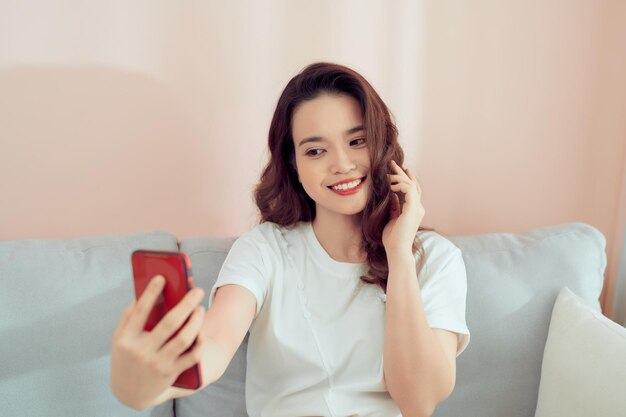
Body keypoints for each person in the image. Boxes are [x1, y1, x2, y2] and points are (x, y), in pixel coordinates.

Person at [111, 62, 470, 417]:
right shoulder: (264, 249)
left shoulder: (436, 259)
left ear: (382, 145)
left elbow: (419, 402)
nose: (342, 164)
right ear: (294, 164)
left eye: (357, 141)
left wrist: (399, 255)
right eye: (316, 151)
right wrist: (143, 385)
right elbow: (215, 345)